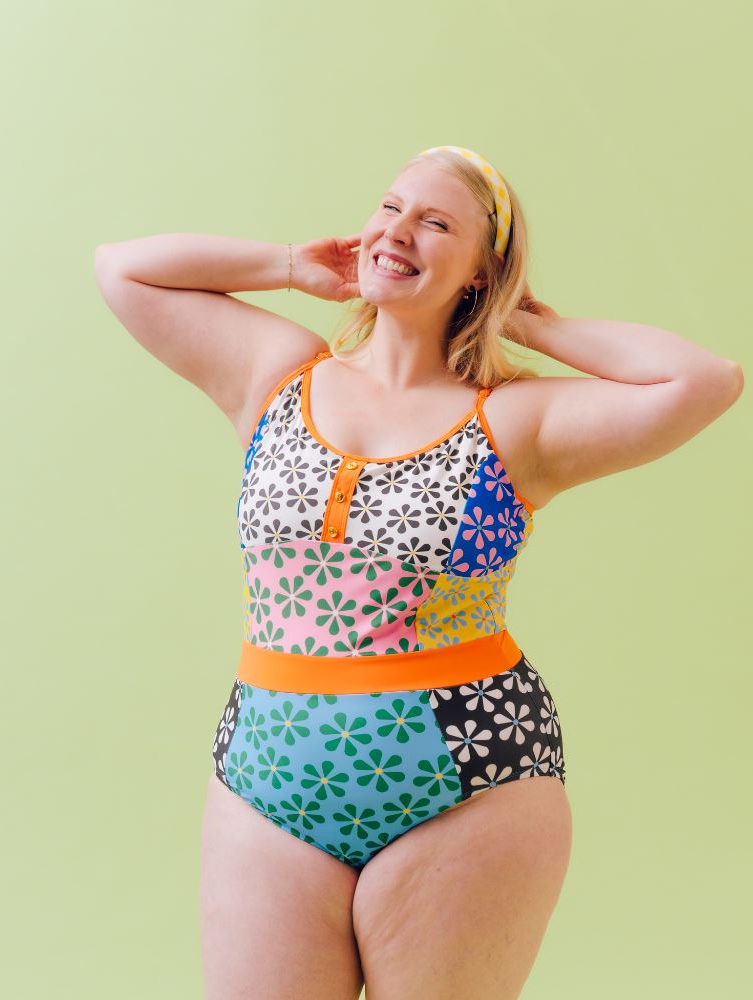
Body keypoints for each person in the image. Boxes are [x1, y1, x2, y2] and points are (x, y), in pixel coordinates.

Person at [94, 145, 744, 999]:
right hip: (268, 773)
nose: (397, 229)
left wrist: (527, 323)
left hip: (468, 778)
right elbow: (124, 271)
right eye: (391, 207)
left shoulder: (515, 420)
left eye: (435, 223)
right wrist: (291, 266)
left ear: (481, 272)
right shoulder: (277, 374)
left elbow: (704, 380)